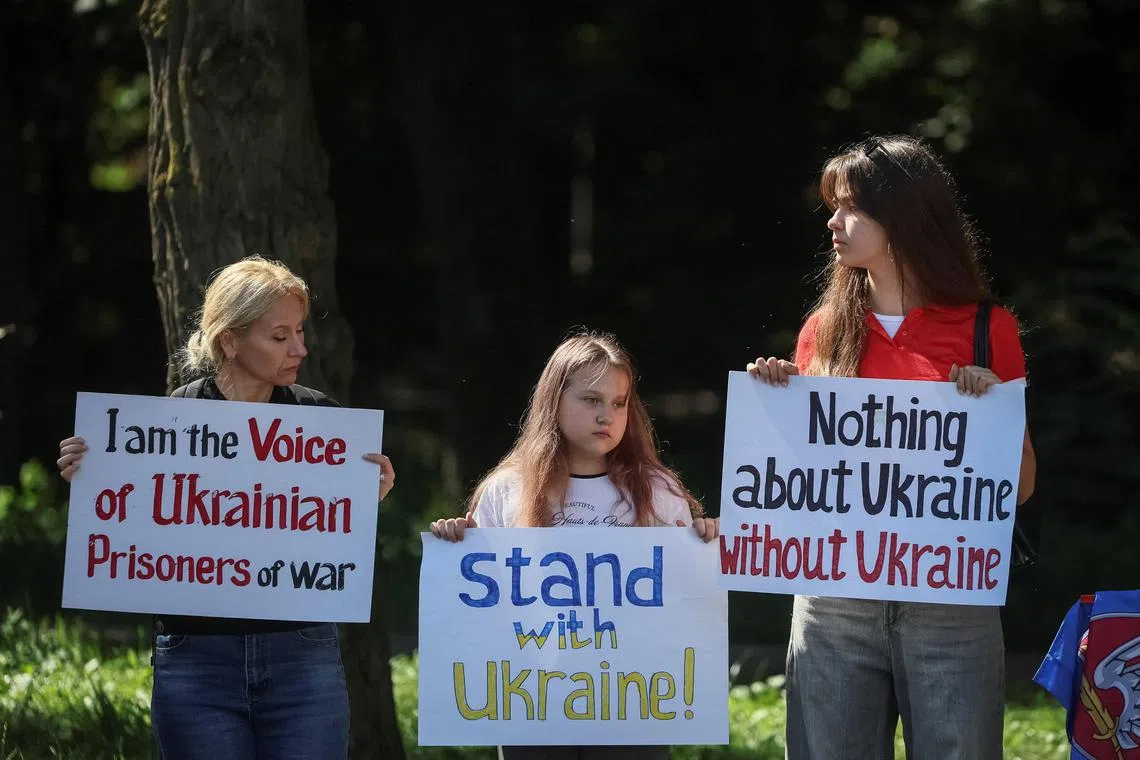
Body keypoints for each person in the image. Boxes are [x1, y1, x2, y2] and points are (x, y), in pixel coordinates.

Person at [747, 135, 1037, 760]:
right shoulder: (822, 333)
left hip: (950, 600)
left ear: (902, 215)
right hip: (835, 602)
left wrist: (994, 415)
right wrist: (775, 404)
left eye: (850, 206)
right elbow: (794, 479)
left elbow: (1023, 482)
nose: (833, 221)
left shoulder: (989, 329)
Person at [55, 256, 394, 760]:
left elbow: (326, 536)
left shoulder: (321, 422)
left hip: (301, 656)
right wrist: (93, 475)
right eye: (279, 337)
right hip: (196, 661)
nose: (299, 348)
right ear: (229, 341)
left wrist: (370, 496)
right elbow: (142, 531)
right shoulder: (166, 425)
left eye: (299, 331)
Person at [430, 331, 719, 760]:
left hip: (631, 701)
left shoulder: (658, 492)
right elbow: (480, 606)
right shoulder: (507, 491)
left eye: (619, 403)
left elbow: (686, 595)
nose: (607, 415)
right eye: (591, 400)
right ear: (554, 401)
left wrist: (704, 544)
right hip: (530, 700)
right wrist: (456, 544)